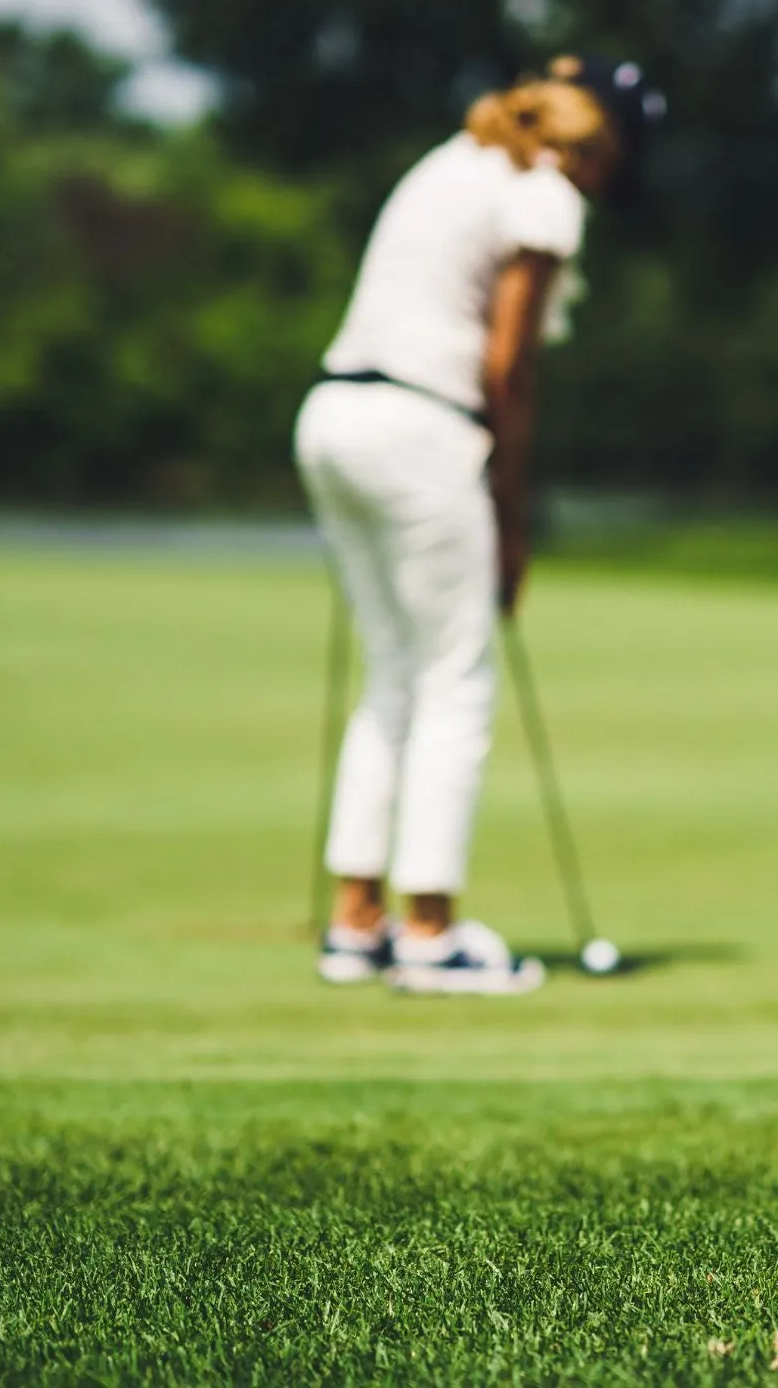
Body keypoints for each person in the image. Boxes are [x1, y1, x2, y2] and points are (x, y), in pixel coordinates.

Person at [296, 55, 663, 993]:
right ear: (601, 140)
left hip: (334, 416)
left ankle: (355, 925)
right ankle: (431, 936)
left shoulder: (452, 160)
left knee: (394, 677)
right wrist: (513, 514)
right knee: (456, 681)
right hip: (422, 429)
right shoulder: (545, 196)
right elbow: (509, 369)